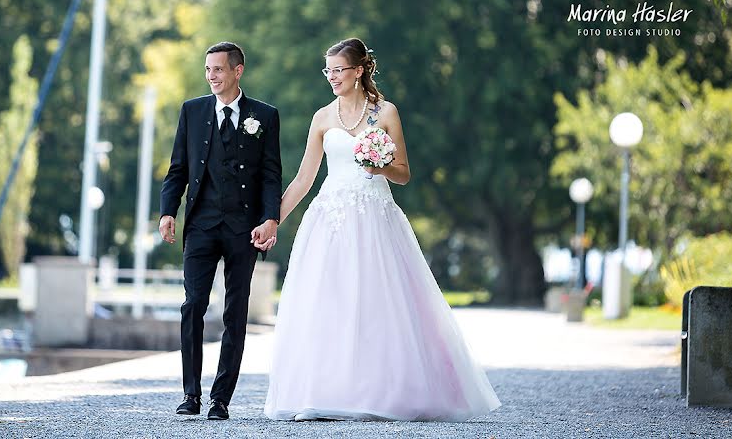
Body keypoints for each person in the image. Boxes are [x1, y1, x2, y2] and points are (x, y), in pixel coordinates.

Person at [263, 38, 500, 421]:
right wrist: (273, 220)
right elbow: (304, 180)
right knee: (329, 303)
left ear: (359, 71)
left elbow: (404, 174)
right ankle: (322, 391)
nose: (332, 77)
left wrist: (380, 167)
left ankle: (381, 393)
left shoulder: (385, 112)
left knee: (378, 305)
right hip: (331, 220)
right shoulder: (321, 118)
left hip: (375, 217)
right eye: (328, 70)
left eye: (339, 70)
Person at [159, 41, 281, 420]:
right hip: (200, 225)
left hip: (243, 229)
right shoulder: (192, 111)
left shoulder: (264, 115)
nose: (211, 75)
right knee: (193, 304)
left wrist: (270, 217)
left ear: (237, 71)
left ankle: (220, 399)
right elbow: (178, 168)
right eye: (207, 69)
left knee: (235, 311)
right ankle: (190, 395)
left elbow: (270, 174)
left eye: (218, 69)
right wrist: (167, 212)